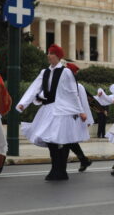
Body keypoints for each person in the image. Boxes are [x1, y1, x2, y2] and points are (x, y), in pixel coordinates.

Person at [17, 44, 88, 181]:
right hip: (48, 109)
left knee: (61, 141)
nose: (48, 56)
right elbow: (34, 88)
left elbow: (73, 92)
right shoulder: (45, 72)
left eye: (51, 53)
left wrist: (80, 111)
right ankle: (55, 168)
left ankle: (61, 170)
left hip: (62, 111)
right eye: (48, 53)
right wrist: (23, 103)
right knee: (50, 141)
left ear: (58, 56)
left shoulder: (66, 72)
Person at [65, 63, 94, 172]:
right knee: (68, 140)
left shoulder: (78, 86)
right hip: (65, 115)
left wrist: (86, 117)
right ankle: (83, 159)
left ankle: (63, 166)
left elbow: (83, 102)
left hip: (73, 117)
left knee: (67, 140)